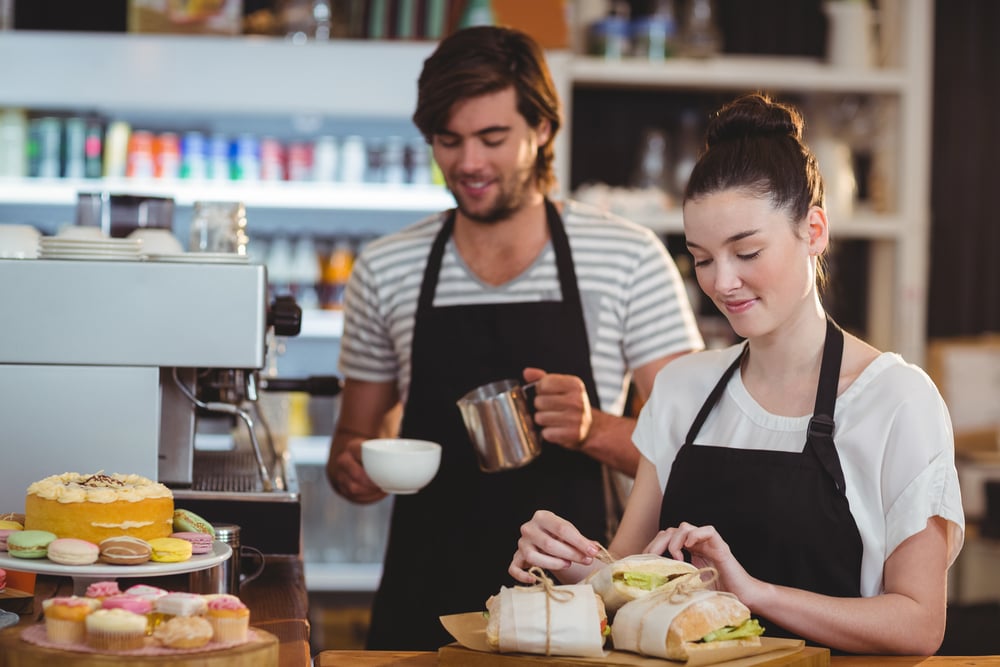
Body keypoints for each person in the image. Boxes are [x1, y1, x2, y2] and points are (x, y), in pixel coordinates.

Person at [509, 93, 965, 656]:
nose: (722, 282)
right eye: (701, 259)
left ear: (814, 231)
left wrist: (754, 594)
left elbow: (919, 624)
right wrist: (568, 563)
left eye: (746, 251)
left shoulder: (898, 401)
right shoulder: (682, 390)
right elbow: (623, 580)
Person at [325, 25, 704, 650]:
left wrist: (591, 430)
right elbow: (352, 443)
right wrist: (354, 470)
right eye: (449, 141)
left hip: (577, 603)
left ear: (543, 129)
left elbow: (696, 453)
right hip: (425, 599)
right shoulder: (387, 267)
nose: (468, 163)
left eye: (492, 138)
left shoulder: (626, 257)